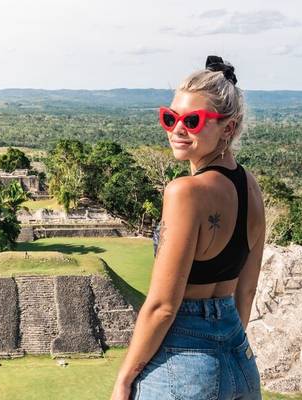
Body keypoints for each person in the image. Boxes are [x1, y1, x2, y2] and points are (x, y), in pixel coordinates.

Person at [111, 55, 266, 400]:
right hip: (239, 358)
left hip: (184, 362)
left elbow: (163, 305)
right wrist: (227, 345)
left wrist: (124, 379)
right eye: (170, 118)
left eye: (193, 121)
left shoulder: (185, 192)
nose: (177, 129)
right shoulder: (251, 187)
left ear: (228, 127)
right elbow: (247, 291)